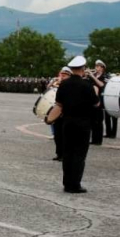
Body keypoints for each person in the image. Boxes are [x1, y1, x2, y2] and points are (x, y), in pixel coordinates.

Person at [46, 56, 98, 194]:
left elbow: (59, 105)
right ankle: (75, 184)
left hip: (67, 122)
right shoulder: (87, 84)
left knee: (68, 153)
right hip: (83, 123)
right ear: (83, 68)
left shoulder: (64, 84)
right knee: (79, 155)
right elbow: (96, 103)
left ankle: (66, 183)